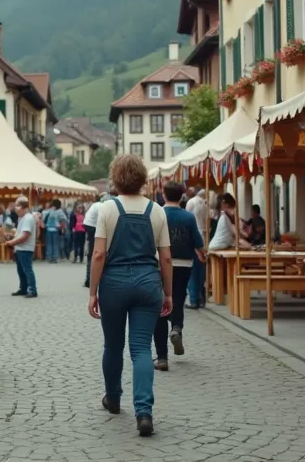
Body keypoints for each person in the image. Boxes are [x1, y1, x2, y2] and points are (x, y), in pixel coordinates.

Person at [89, 155, 172, 437]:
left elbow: (99, 253)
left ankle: (113, 398)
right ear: (142, 179)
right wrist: (168, 293)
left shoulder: (107, 209)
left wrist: (92, 292)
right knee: (140, 350)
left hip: (114, 283)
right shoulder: (157, 210)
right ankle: (144, 412)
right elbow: (167, 258)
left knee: (113, 346)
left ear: (115, 178)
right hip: (148, 284)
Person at [152, 183, 205, 370]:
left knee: (159, 305)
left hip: (159, 264)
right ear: (183, 196)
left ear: (163, 195)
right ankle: (176, 327)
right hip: (184, 264)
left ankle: (162, 358)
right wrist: (202, 253)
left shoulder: (156, 214)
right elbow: (198, 241)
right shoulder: (188, 217)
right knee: (178, 298)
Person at [8, 197, 38, 297]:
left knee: (27, 270)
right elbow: (21, 234)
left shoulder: (27, 218)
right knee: (21, 270)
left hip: (25, 248)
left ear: (24, 207)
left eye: (17, 205)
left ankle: (32, 290)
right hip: (20, 248)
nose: (15, 208)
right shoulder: (22, 218)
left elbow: (25, 235)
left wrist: (12, 242)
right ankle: (23, 288)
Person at [185, 189, 208, 308]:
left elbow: (187, 219)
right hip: (204, 236)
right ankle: (200, 298)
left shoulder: (191, 202)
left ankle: (193, 299)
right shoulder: (205, 203)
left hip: (193, 236)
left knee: (193, 270)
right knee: (201, 270)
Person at [82, 193, 105, 288]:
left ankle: (88, 279)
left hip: (88, 225)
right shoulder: (101, 206)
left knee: (91, 252)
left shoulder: (95, 205)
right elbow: (103, 220)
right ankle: (90, 280)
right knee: (94, 252)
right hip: (92, 227)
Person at [43, 199, 66, 263]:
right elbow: (64, 219)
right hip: (55, 229)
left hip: (49, 229)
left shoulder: (49, 211)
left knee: (49, 244)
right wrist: (61, 227)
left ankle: (50, 257)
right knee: (55, 244)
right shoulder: (60, 211)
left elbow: (45, 219)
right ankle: (55, 258)